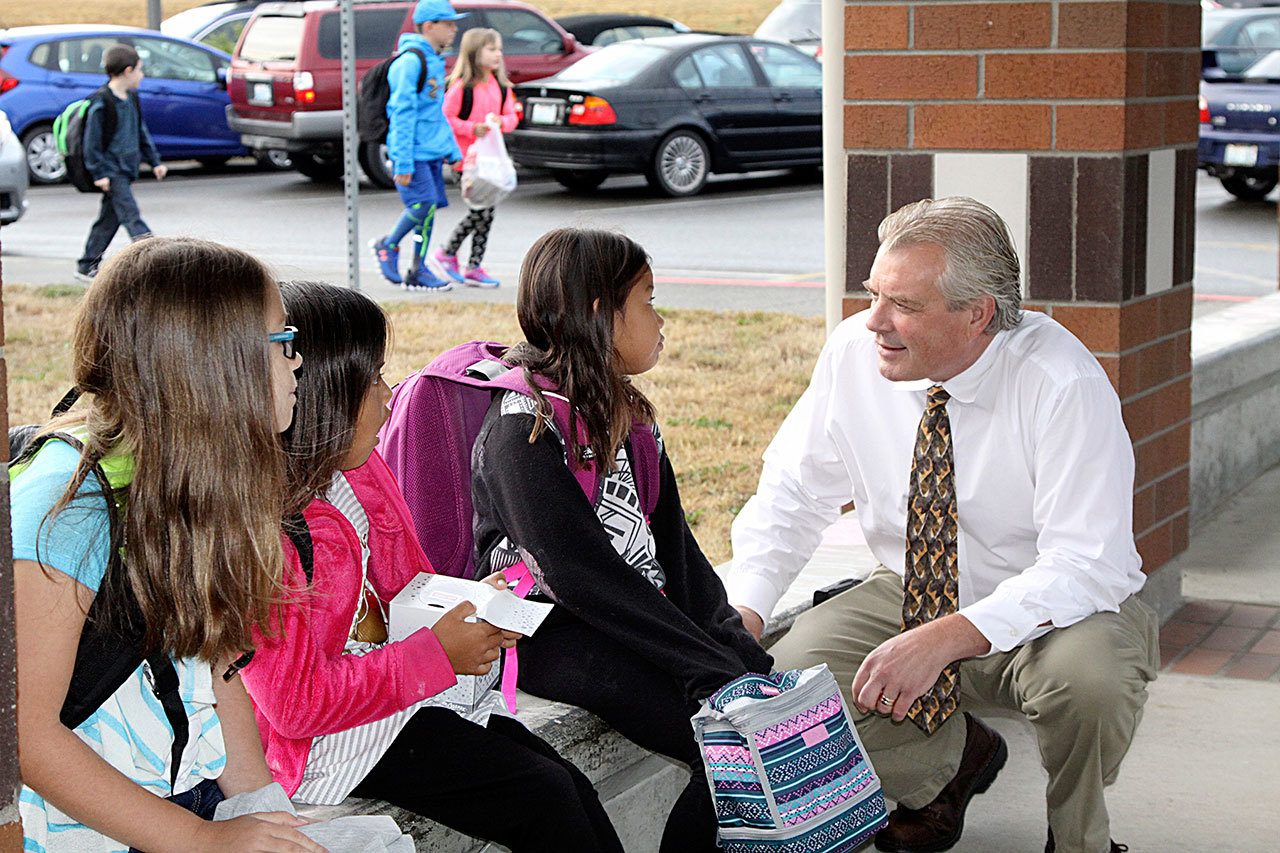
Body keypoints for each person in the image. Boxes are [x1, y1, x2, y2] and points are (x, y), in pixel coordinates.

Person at [726, 197, 1158, 853]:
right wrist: (746, 609)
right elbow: (795, 491)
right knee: (790, 686)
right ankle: (947, 769)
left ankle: (1078, 839)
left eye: (903, 304)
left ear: (977, 312)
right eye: (873, 294)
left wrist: (947, 637)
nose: (873, 321)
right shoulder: (853, 353)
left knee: (1091, 681)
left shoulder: (1060, 381)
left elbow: (1087, 562)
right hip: (908, 590)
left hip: (1052, 611)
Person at [240, 280, 625, 852]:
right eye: (373, 379)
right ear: (325, 396)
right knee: (544, 797)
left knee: (568, 785)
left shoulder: (359, 472)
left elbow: (408, 587)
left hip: (400, 694)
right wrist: (437, 654)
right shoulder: (267, 532)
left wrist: (464, 601)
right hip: (333, 742)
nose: (390, 396)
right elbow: (297, 706)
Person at [12, 237, 322, 852]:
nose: (296, 363)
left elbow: (215, 660)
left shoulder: (195, 477)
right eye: (281, 342)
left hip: (182, 799)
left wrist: (262, 806)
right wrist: (202, 842)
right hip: (87, 831)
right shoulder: (66, 509)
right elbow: (24, 733)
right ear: (211, 363)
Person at [470, 228, 774, 853]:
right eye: (649, 301)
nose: (661, 319)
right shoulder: (520, 431)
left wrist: (730, 643)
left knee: (754, 720)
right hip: (554, 634)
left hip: (633, 620)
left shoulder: (628, 416)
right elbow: (579, 576)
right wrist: (700, 665)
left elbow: (679, 553)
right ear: (602, 314)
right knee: (730, 752)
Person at [369, 0, 466, 292]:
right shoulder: (410, 62)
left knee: (429, 209)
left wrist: (451, 150)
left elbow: (434, 114)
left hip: (431, 152)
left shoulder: (434, 61)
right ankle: (388, 245)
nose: (454, 30)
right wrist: (403, 161)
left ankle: (418, 268)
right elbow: (401, 114)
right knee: (421, 204)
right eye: (448, 24)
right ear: (428, 26)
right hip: (413, 153)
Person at [432, 27, 518, 288]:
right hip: (465, 162)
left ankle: (471, 264)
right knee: (482, 211)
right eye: (491, 49)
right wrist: (472, 128)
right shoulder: (461, 88)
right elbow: (446, 118)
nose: (497, 55)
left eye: (499, 49)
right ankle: (449, 254)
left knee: (485, 212)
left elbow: (512, 117)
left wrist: (499, 122)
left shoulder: (501, 87)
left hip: (490, 163)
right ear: (474, 53)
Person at [76, 44, 168, 283]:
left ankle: (87, 265)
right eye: (140, 70)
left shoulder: (132, 98)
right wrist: (99, 172)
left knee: (109, 220)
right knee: (131, 215)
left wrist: (154, 160)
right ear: (128, 71)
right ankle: (158, 261)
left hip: (127, 168)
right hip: (111, 170)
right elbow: (91, 143)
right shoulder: (101, 102)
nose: (142, 75)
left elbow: (140, 131)